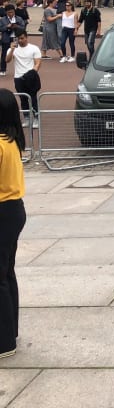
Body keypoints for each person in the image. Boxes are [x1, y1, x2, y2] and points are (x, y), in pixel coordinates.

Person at [0, 88, 27, 358]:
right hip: (14, 209)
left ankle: (4, 342)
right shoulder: (12, 140)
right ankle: (10, 333)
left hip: (2, 210)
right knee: (7, 273)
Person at [6, 31, 40, 127]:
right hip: (18, 77)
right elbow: (7, 60)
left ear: (26, 37)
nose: (20, 41)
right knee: (22, 98)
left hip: (30, 77)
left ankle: (36, 118)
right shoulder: (12, 49)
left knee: (33, 98)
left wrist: (32, 72)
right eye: (18, 39)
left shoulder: (34, 48)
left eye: (22, 38)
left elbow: (38, 63)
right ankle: (27, 118)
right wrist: (12, 50)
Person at [0, 7, 25, 78]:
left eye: (12, 12)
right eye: (9, 12)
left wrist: (16, 26)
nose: (11, 14)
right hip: (6, 38)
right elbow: (0, 28)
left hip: (15, 38)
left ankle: (20, 69)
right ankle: (2, 69)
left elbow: (23, 27)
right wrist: (7, 27)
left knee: (18, 53)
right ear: (6, 12)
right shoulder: (3, 19)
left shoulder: (19, 18)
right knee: (4, 54)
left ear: (14, 11)